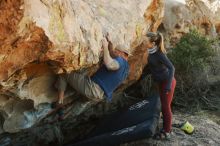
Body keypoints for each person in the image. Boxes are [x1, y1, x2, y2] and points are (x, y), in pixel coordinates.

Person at [55, 37, 130, 105]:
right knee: (79, 102)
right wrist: (110, 48)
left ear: (121, 53)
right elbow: (112, 56)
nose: (115, 53)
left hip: (92, 89)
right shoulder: (126, 70)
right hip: (99, 96)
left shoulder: (120, 61)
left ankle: (60, 101)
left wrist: (105, 47)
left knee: (64, 72)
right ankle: (63, 115)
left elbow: (110, 64)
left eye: (116, 51)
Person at [142, 32, 176, 140]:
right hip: (161, 82)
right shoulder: (151, 52)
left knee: (166, 107)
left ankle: (167, 131)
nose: (143, 42)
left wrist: (169, 85)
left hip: (167, 82)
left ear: (152, 43)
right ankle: (166, 127)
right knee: (164, 106)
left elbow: (172, 68)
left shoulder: (159, 54)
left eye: (145, 41)